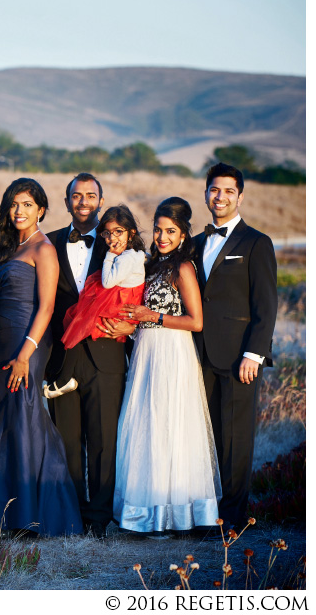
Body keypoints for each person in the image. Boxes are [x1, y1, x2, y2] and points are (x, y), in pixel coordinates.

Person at [0, 179, 82, 537]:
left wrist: (25, 356)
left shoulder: (43, 249)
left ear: (41, 210)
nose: (20, 211)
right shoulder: (8, 245)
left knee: (23, 419)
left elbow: (46, 308)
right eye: (15, 204)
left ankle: (29, 516)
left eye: (28, 205)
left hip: (27, 344)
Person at [114, 197, 220, 535]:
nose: (162, 237)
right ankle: (146, 513)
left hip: (172, 353)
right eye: (158, 230)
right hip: (146, 351)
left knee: (170, 425)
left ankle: (177, 514)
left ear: (184, 234)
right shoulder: (149, 264)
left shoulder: (183, 269)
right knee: (147, 425)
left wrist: (153, 317)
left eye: (170, 231)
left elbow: (196, 321)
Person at [45, 173, 135, 538]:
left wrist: (132, 328)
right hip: (62, 356)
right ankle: (71, 514)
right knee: (65, 440)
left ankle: (99, 518)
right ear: (66, 203)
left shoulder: (120, 246)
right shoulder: (47, 244)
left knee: (102, 440)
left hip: (107, 354)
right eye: (76, 196)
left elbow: (137, 296)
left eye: (90, 195)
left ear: (101, 200)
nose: (83, 201)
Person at [193, 163, 277, 528]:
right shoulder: (195, 243)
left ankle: (233, 518)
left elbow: (266, 305)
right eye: (215, 189)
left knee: (236, 438)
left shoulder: (257, 243)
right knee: (207, 437)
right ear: (206, 193)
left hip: (239, 357)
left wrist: (253, 354)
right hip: (199, 356)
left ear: (240, 196)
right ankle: (207, 512)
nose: (220, 197)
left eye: (228, 191)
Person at [45, 205, 146, 399]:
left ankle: (64, 378)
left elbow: (108, 281)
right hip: (116, 298)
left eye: (118, 231)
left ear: (131, 232)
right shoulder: (136, 254)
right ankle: (65, 376)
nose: (112, 238)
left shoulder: (125, 256)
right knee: (78, 324)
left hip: (118, 303)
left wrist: (109, 256)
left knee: (80, 324)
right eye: (107, 233)